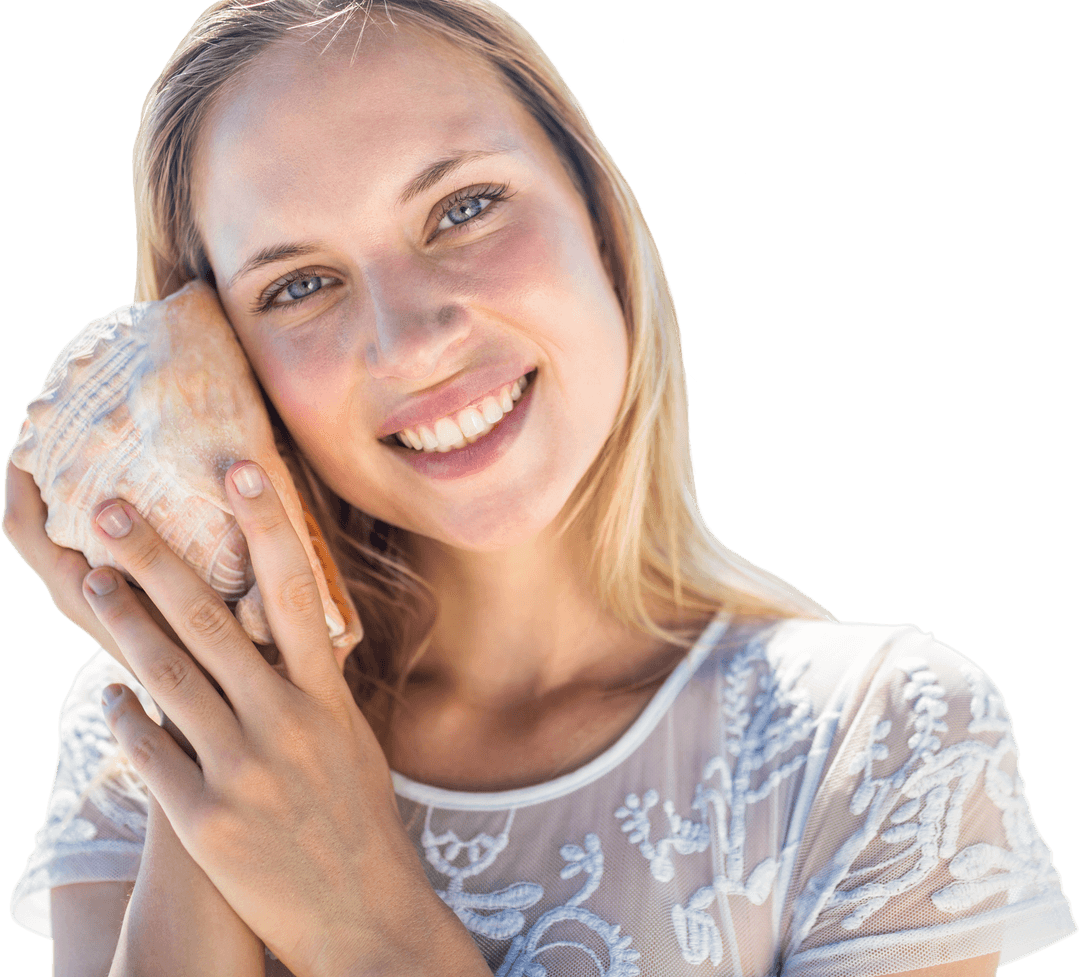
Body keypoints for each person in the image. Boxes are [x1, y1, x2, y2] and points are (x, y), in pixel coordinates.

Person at [3, 1, 1075, 975]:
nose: (410, 338)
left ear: (599, 216)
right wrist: (227, 694)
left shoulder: (875, 741)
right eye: (302, 284)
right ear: (228, 365)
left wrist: (357, 915)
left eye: (464, 206)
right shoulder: (149, 735)